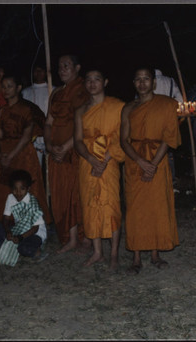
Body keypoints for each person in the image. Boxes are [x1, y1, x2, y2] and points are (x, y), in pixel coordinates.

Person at [120, 67, 181, 274]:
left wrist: (153, 164)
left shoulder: (166, 104)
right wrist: (139, 161)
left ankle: (155, 254)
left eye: (146, 79)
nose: (142, 83)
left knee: (156, 206)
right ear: (134, 83)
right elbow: (124, 140)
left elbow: (168, 137)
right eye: (138, 79)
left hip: (158, 158)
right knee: (135, 209)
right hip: (134, 161)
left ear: (153, 82)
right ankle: (136, 257)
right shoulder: (128, 108)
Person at [74, 69, 125, 270]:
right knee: (90, 205)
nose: (92, 83)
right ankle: (97, 252)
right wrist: (90, 158)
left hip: (109, 159)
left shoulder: (118, 106)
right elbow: (77, 141)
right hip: (87, 162)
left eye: (97, 79)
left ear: (105, 82)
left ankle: (113, 254)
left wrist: (105, 158)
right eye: (88, 80)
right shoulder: (80, 110)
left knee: (111, 205)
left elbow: (123, 136)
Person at [44, 54, 89, 253]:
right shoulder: (56, 94)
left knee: (76, 194)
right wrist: (49, 144)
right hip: (55, 151)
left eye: (66, 65)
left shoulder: (83, 90)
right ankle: (69, 236)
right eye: (59, 66)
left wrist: (67, 147)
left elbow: (86, 123)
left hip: (74, 150)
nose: (62, 69)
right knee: (60, 194)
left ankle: (83, 235)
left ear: (77, 67)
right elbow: (48, 122)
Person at [0, 73, 51, 225]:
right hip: (5, 153)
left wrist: (10, 156)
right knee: (7, 188)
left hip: (22, 153)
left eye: (10, 86)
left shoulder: (27, 109)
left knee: (28, 188)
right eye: (3, 87)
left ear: (18, 88)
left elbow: (26, 136)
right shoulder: (3, 110)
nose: (6, 90)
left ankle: (34, 224)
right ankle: (10, 222)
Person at [0, 169, 48, 266]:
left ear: (28, 189)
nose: (18, 193)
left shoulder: (33, 203)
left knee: (24, 249)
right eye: (15, 189)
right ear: (11, 189)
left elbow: (35, 228)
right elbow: (6, 218)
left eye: (22, 189)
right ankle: (15, 249)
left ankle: (37, 251)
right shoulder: (11, 198)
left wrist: (21, 237)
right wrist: (8, 232)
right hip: (19, 229)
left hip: (34, 233)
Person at [154, 69, 183, 189]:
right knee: (168, 148)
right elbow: (180, 101)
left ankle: (160, 179)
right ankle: (171, 178)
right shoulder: (170, 80)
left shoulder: (148, 81)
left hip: (153, 118)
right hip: (169, 118)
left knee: (154, 148)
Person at [22, 63, 55, 166]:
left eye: (41, 70)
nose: (39, 73)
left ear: (46, 72)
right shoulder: (26, 92)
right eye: (36, 70)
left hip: (51, 135)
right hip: (33, 137)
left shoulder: (54, 90)